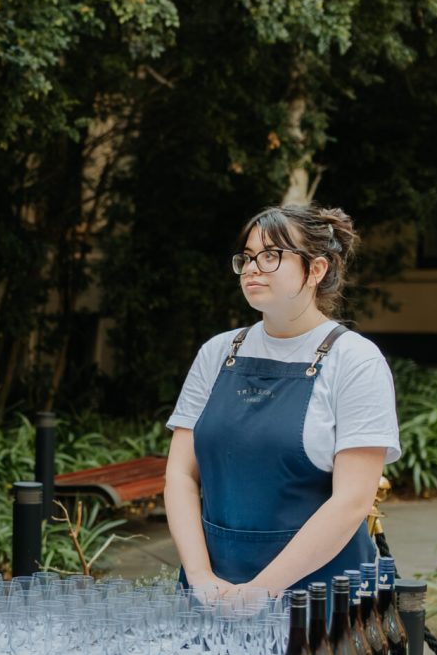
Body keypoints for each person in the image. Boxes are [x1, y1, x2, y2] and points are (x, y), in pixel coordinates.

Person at [164, 204, 401, 601]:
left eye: (271, 255)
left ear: (316, 269)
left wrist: (258, 593)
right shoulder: (217, 353)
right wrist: (201, 577)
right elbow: (180, 475)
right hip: (211, 592)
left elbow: (352, 501)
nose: (252, 268)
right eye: (247, 257)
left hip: (321, 600)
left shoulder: (355, 360)